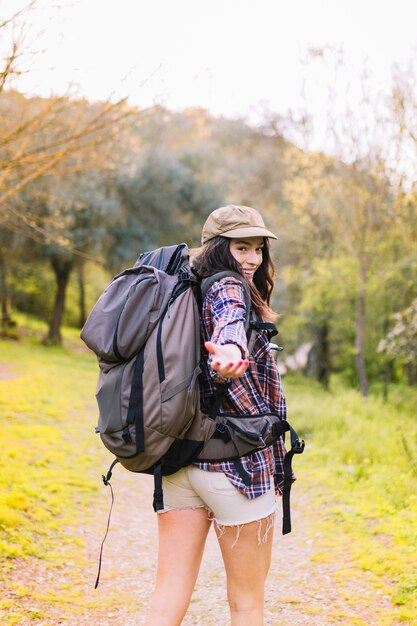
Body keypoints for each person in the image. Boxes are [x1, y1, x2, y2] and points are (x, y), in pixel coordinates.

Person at [145, 204, 290, 626]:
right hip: (236, 468)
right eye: (241, 247)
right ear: (217, 247)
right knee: (246, 603)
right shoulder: (228, 288)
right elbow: (229, 323)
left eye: (258, 249)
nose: (251, 259)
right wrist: (230, 353)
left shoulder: (180, 287)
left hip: (179, 462)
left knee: (166, 597)